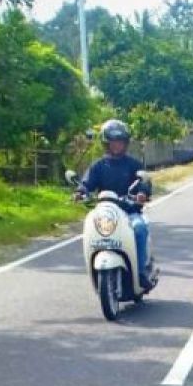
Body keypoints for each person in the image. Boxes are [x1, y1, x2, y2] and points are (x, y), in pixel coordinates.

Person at [75, 119, 155, 287]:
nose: (117, 145)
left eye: (120, 142)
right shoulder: (98, 166)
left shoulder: (133, 164)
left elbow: (144, 182)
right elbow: (87, 183)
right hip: (106, 214)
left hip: (129, 212)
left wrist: (142, 193)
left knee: (140, 229)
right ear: (106, 143)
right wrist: (81, 192)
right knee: (89, 227)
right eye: (113, 142)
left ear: (125, 143)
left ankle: (140, 273)